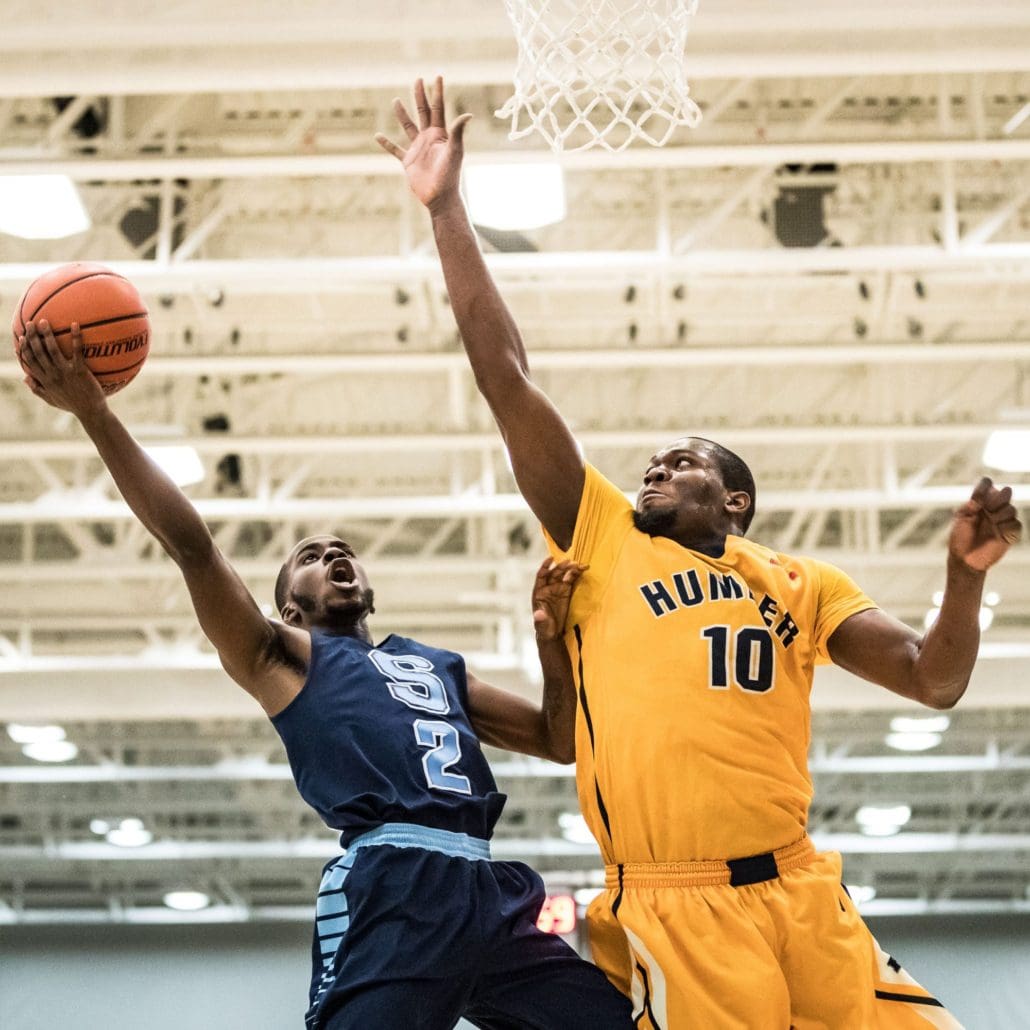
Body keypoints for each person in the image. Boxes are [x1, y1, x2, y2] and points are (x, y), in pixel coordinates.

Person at [377, 77, 1023, 1029]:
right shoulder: (598, 536)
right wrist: (447, 212)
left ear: (735, 500)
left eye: (681, 463)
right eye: (652, 460)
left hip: (803, 890)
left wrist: (961, 579)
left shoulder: (803, 584)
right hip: (675, 901)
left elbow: (935, 681)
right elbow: (503, 374)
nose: (655, 468)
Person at [18, 319, 634, 1030]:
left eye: (342, 549)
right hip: (392, 887)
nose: (334, 554)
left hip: (487, 889)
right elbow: (191, 547)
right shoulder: (279, 657)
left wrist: (550, 646)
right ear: (288, 607)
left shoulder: (435, 667)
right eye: (312, 555)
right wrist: (96, 413)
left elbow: (560, 740)